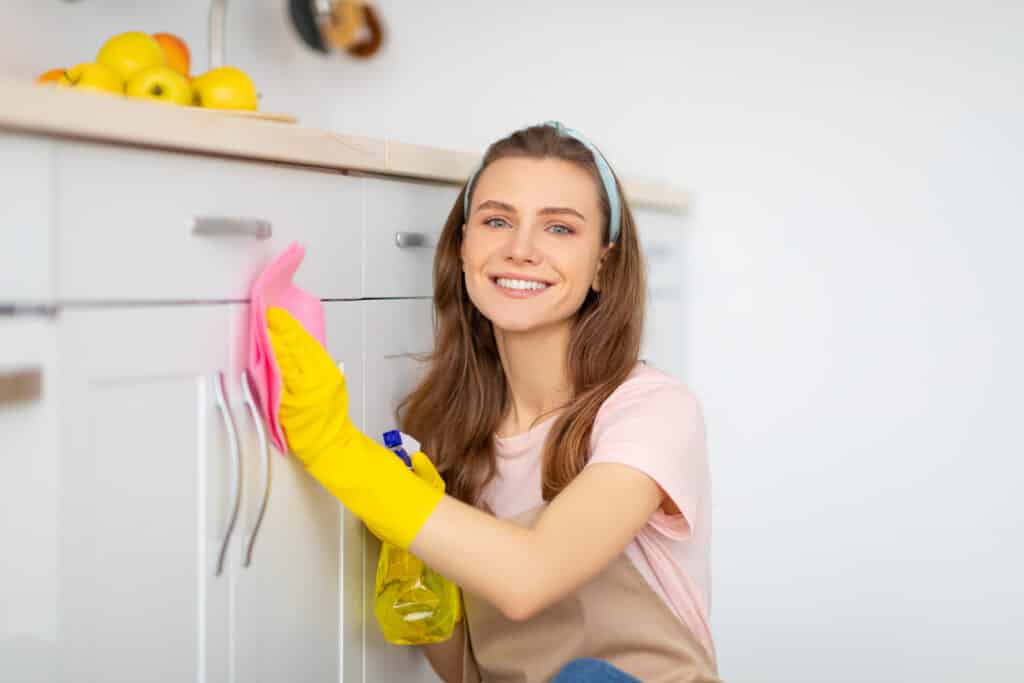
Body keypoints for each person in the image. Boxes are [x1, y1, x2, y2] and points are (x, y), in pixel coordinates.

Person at [265, 121, 719, 682]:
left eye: (559, 228)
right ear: (461, 247)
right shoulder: (443, 435)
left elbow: (529, 577)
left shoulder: (651, 412)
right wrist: (416, 583)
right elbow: (470, 674)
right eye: (497, 221)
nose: (521, 249)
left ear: (604, 261)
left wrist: (337, 450)